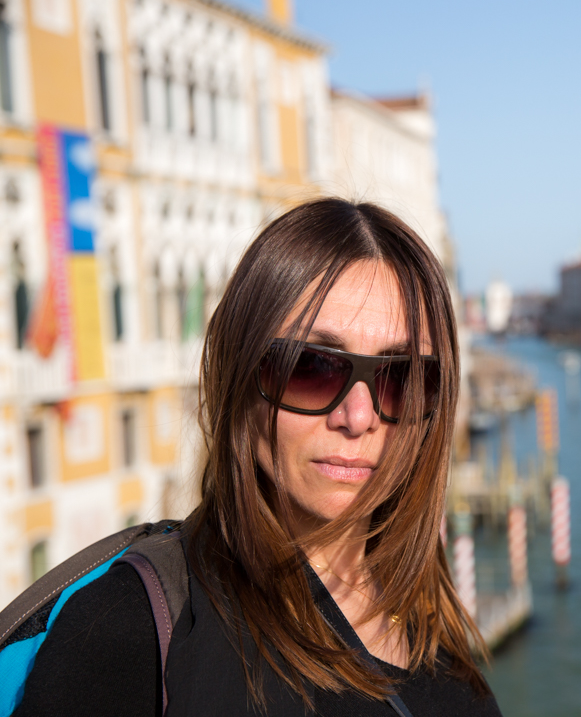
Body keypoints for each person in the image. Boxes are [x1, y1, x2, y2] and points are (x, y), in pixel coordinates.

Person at [14, 199, 502, 716]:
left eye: (400, 376)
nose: (358, 417)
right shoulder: (123, 631)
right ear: (240, 372)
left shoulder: (431, 620)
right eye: (311, 366)